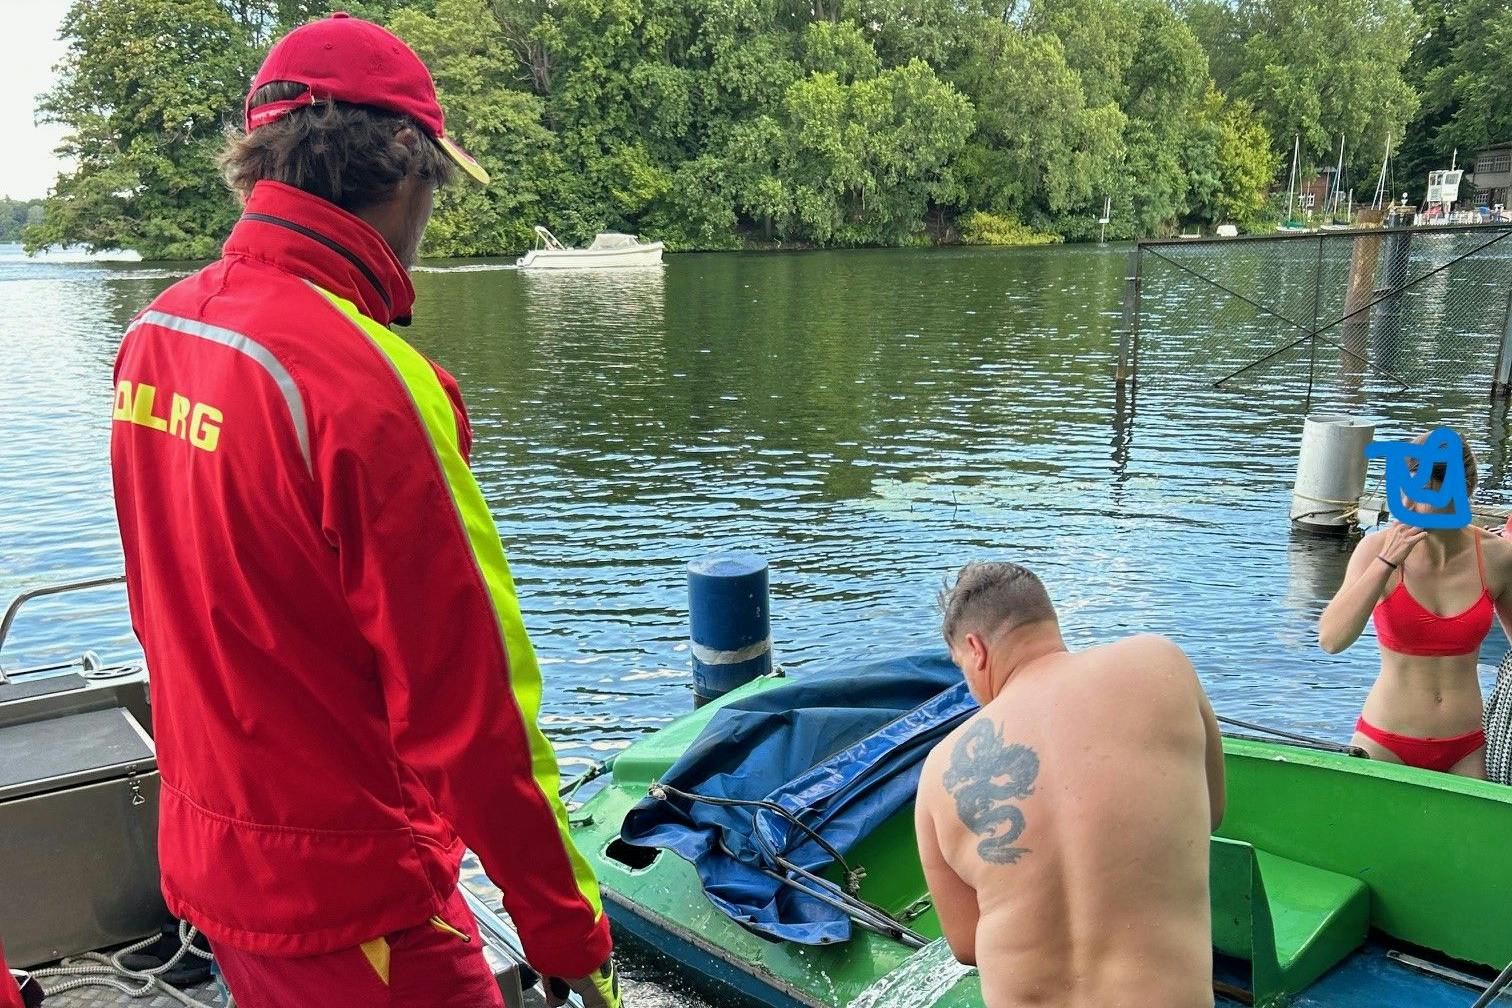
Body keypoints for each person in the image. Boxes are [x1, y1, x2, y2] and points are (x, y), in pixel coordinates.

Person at [110, 15, 618, 1008]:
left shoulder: (157, 334)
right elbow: (475, 711)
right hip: (354, 902)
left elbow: (162, 601)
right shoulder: (372, 389)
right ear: (406, 170)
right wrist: (564, 930)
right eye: (435, 185)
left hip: (218, 862)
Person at [915, 562, 1224, 1008]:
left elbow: (966, 945)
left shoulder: (940, 770)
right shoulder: (1160, 664)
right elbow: (1212, 812)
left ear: (975, 650)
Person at [1319, 432, 1509, 777]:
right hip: (1385, 743)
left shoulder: (1497, 557)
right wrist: (1385, 564)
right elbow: (1331, 640)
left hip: (1466, 748)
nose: (1404, 505)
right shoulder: (1376, 549)